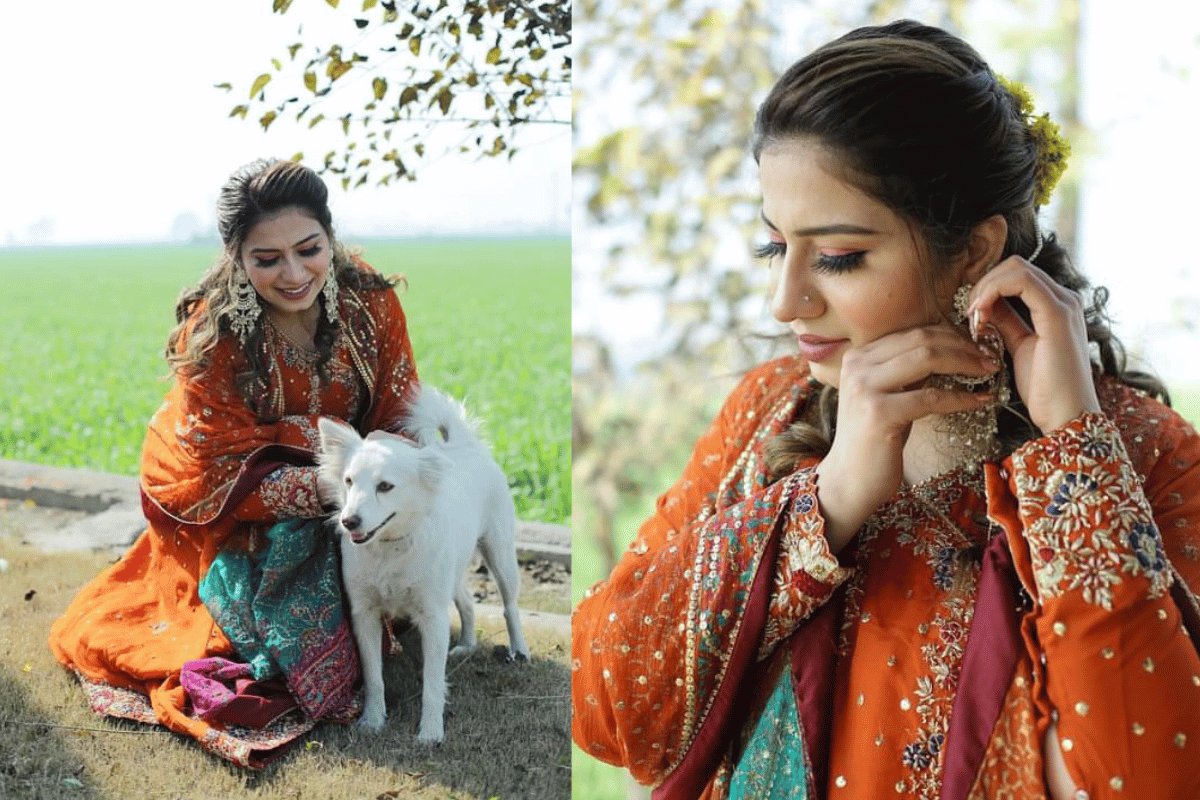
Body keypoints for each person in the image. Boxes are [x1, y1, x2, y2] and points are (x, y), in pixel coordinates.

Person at [572, 20, 1200, 800]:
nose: (786, 300)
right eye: (777, 247)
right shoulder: (770, 412)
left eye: (839, 257)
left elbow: (1156, 780)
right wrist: (826, 501)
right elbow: (606, 706)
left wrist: (1073, 450)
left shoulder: (1142, 453)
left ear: (973, 251)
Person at [49, 158, 418, 767]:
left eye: (309, 249)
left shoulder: (369, 301)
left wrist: (378, 474)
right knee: (277, 646)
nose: (295, 274)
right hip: (231, 497)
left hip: (352, 486)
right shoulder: (217, 330)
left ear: (331, 236)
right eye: (267, 259)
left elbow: (400, 408)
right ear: (236, 258)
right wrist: (324, 466)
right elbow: (219, 465)